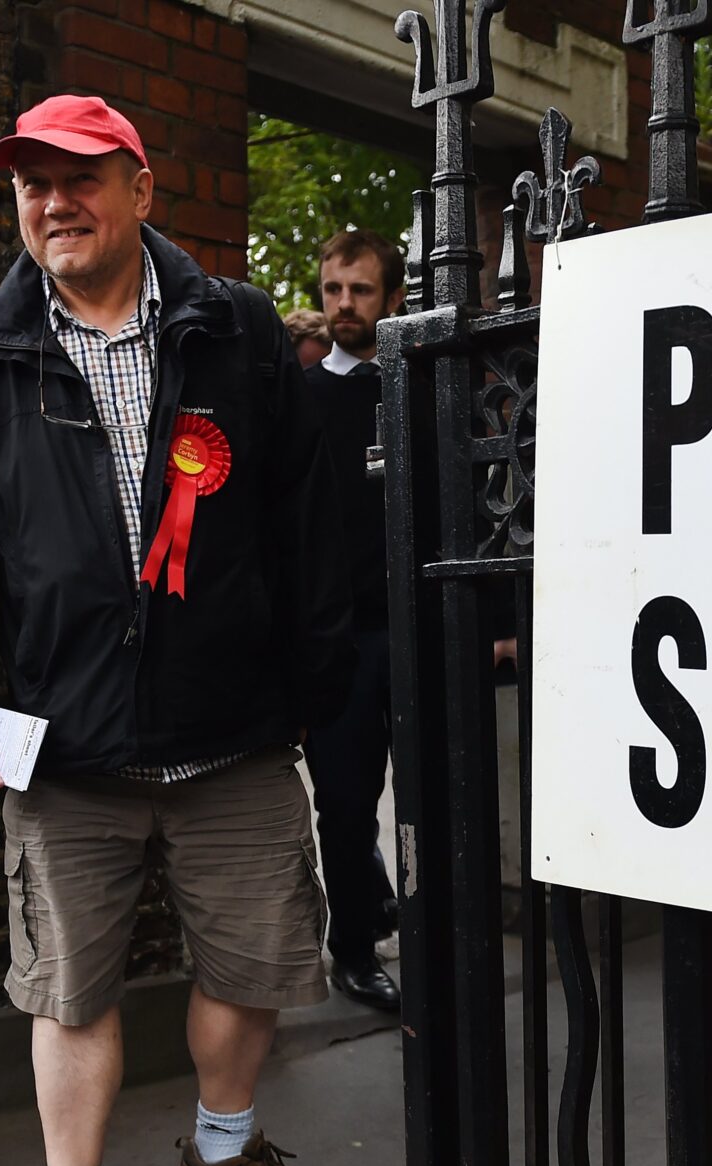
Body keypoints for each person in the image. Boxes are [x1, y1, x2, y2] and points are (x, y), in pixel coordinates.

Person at [0, 94, 360, 1166]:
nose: (52, 202)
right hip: (69, 745)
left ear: (141, 188)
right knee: (70, 989)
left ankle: (221, 1157)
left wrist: (321, 700)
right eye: (30, 183)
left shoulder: (238, 332)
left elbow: (309, 532)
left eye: (79, 176)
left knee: (254, 965)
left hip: (236, 736)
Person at [300, 229, 406, 1010]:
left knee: (438, 795)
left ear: (391, 298)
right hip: (340, 641)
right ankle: (356, 953)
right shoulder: (300, 400)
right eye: (334, 290)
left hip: (420, 628)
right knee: (343, 801)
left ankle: (438, 932)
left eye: (360, 291)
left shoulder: (418, 388)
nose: (343, 306)